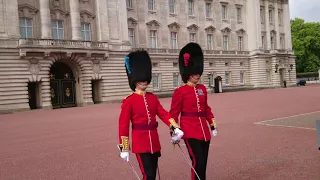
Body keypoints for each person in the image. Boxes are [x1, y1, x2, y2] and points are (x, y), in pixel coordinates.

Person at [117, 50, 184, 180]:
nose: (144, 81)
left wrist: (175, 127)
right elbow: (123, 126)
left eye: (145, 79)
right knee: (148, 175)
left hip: (154, 141)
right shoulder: (129, 101)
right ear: (134, 80)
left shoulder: (152, 98)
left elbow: (164, 114)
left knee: (153, 174)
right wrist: (124, 147)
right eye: (141, 79)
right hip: (140, 144)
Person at [169, 42, 217, 180]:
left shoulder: (202, 89)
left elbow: (206, 108)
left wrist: (212, 124)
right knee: (198, 162)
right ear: (188, 74)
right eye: (195, 73)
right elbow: (173, 113)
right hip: (189, 131)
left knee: (203, 164)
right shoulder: (180, 91)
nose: (197, 75)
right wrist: (174, 130)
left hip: (204, 132)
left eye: (198, 72)